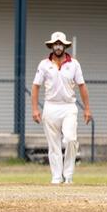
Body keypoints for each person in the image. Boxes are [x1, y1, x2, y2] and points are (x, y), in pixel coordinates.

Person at [31, 31, 92, 184]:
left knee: (70, 139)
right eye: (55, 44)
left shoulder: (74, 64)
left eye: (60, 44)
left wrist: (87, 109)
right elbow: (35, 86)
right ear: (51, 46)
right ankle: (57, 176)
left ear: (65, 46)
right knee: (53, 144)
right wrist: (35, 109)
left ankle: (68, 175)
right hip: (50, 107)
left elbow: (82, 86)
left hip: (69, 107)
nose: (58, 47)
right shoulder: (44, 64)